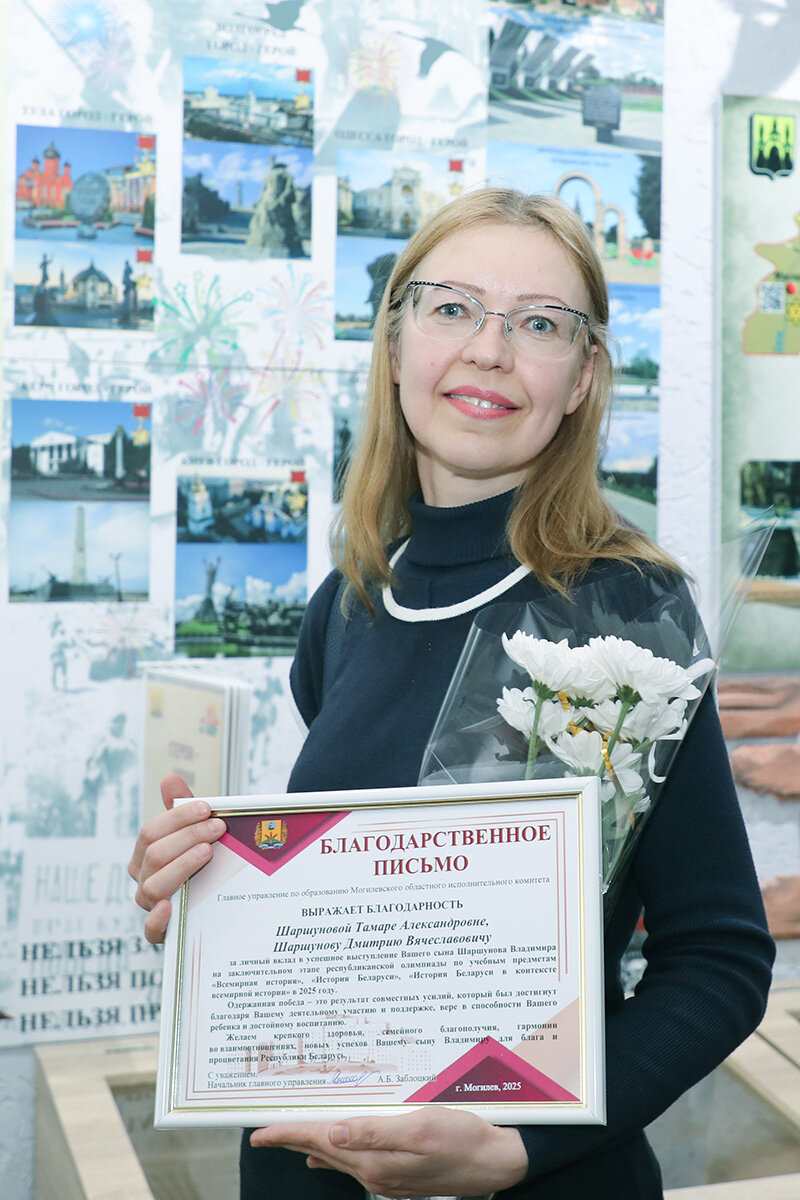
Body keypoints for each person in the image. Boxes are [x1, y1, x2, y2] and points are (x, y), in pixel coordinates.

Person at [129, 188, 774, 1199]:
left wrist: (519, 1145)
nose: (489, 349)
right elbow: (359, 919)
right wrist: (218, 915)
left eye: (540, 324)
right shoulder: (348, 602)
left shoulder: (626, 615)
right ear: (394, 346)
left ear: (581, 378)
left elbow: (717, 959)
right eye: (452, 308)